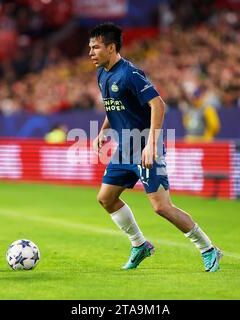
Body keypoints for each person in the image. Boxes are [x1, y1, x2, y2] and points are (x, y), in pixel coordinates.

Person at [89, 23, 222, 272]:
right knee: (106, 198)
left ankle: (208, 248)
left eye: (95, 47)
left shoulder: (130, 73)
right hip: (125, 149)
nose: (91, 52)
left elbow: (158, 104)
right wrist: (103, 132)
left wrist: (151, 145)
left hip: (145, 149)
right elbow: (113, 106)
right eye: (90, 48)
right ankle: (140, 245)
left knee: (161, 207)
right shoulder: (101, 74)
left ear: (111, 47)